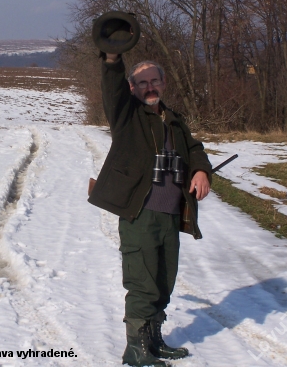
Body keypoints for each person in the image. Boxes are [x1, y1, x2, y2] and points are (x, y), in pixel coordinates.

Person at [87, 52, 212, 366]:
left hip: (171, 214)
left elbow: (194, 148)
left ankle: (154, 341)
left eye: (154, 80)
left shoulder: (173, 119)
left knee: (163, 280)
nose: (149, 87)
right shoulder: (127, 116)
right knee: (142, 282)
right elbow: (112, 89)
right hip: (140, 214)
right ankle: (135, 349)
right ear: (132, 88)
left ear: (164, 83)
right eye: (142, 83)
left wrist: (200, 170)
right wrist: (113, 59)